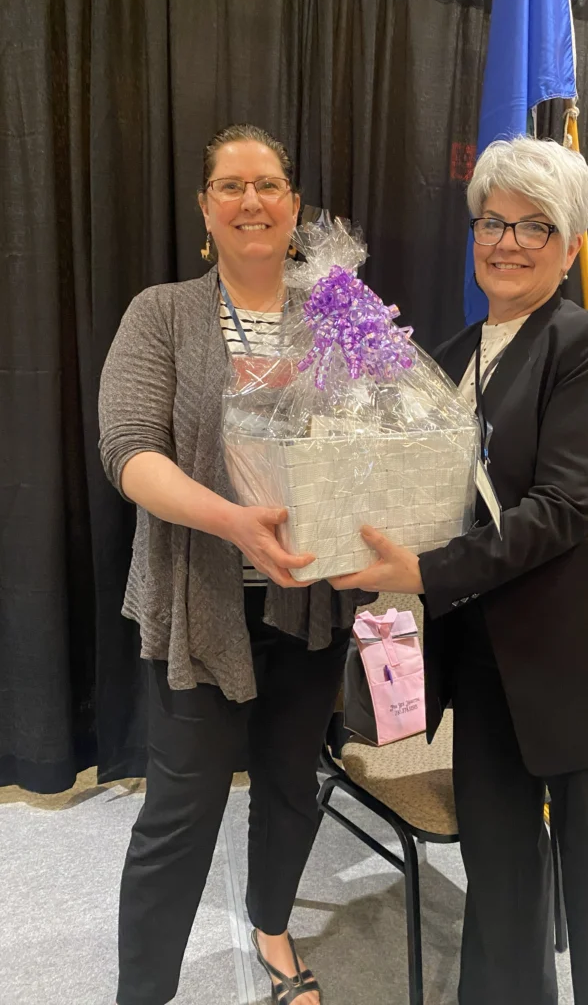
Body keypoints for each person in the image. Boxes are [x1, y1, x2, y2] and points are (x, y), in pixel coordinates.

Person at [332, 136, 588, 1004]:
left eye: (538, 226)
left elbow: (565, 510)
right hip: (488, 673)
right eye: (494, 221)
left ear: (569, 249)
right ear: (473, 231)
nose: (509, 242)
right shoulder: (446, 358)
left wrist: (422, 569)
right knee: (501, 895)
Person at [99, 124, 373, 1005]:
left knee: (292, 786)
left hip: (311, 604)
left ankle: (271, 930)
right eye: (230, 186)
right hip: (198, 603)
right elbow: (129, 452)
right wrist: (234, 523)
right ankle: (143, 990)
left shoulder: (337, 309)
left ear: (295, 205)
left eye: (268, 185)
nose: (250, 201)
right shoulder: (164, 313)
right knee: (179, 814)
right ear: (205, 209)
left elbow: (382, 441)